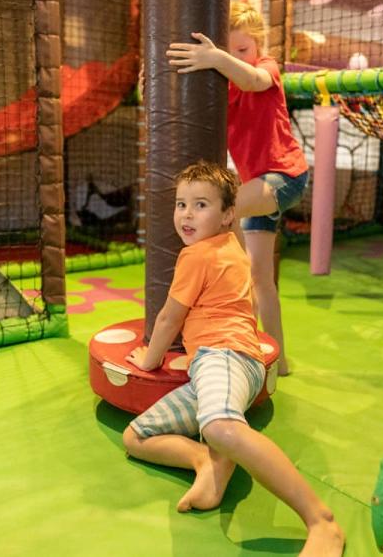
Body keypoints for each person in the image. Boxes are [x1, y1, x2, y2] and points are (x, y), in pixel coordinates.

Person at [123, 161, 344, 557]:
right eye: (181, 204)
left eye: (201, 205)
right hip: (220, 365)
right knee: (136, 436)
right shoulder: (231, 245)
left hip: (222, 357)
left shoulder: (196, 256)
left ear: (228, 215)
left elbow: (169, 316)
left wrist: (149, 359)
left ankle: (320, 520)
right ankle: (206, 461)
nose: (187, 215)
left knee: (222, 427)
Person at [167, 0, 308, 376]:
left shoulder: (266, 68)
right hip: (258, 186)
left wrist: (215, 56)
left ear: (258, 46)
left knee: (217, 217)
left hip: (286, 177)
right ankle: (279, 361)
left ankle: (224, 321)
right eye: (230, 51)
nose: (235, 58)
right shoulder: (224, 91)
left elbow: (252, 80)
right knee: (258, 276)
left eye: (242, 50)